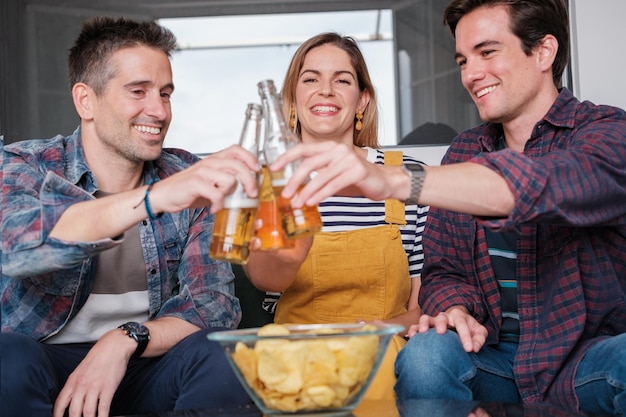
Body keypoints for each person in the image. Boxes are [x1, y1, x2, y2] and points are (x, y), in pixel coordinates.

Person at [266, 0, 626, 415]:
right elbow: (444, 270)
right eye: (463, 60)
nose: (471, 74)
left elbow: (547, 183)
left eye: (487, 52)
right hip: (490, 356)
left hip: (585, 361)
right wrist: (453, 308)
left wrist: (392, 181)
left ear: (544, 52)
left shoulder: (606, 133)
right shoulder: (464, 150)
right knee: (427, 355)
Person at [0, 17, 258, 417]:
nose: (158, 111)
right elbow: (18, 248)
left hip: (144, 360)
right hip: (41, 362)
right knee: (4, 360)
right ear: (86, 100)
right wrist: (155, 198)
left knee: (222, 353)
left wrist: (123, 340)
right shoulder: (23, 164)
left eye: (165, 94)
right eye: (138, 91)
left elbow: (212, 306)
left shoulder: (188, 177)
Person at [243, 33, 429, 400]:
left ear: (362, 99)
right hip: (294, 359)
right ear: (293, 99)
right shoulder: (270, 183)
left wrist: (380, 330)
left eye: (342, 80)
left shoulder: (407, 177)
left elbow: (424, 306)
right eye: (310, 79)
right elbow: (264, 281)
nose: (325, 90)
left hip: (384, 355)